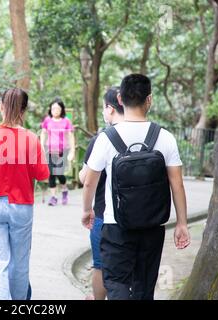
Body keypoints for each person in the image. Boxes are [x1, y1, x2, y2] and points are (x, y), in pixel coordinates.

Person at [82, 74, 190, 300]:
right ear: (149, 100)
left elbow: (90, 180)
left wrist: (87, 210)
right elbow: (177, 184)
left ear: (119, 99)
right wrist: (181, 223)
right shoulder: (165, 137)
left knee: (116, 283)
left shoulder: (107, 138)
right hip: (152, 227)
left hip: (116, 226)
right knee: (144, 288)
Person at [0, 88, 50, 300]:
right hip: (21, 205)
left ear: (2, 107)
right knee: (20, 264)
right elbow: (43, 176)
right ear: (24, 110)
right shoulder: (32, 140)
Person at [79, 86, 124, 300]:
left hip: (103, 214)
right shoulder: (147, 135)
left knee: (100, 265)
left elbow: (85, 179)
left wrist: (86, 210)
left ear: (110, 109)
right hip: (137, 216)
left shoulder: (102, 138)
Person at [40, 98, 75, 206]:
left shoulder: (66, 121)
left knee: (59, 173)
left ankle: (64, 190)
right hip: (49, 150)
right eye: (53, 108)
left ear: (62, 110)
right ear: (50, 109)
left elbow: (70, 136)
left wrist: (72, 151)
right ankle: (53, 197)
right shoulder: (47, 120)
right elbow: (43, 133)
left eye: (58, 108)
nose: (55, 110)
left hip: (63, 150)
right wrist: (41, 146)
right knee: (51, 173)